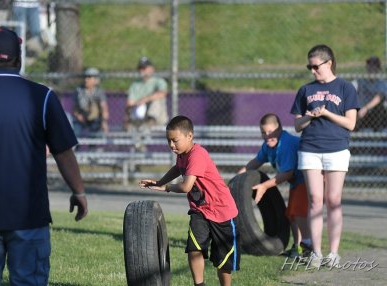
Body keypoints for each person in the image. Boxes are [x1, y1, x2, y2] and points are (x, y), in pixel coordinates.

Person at [0, 26, 88, 285]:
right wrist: (79, 192)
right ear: (19, 58)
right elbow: (63, 153)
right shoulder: (42, 96)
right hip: (28, 215)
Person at [139, 115, 240, 286]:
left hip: (222, 212)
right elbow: (178, 168)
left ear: (190, 136)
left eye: (175, 140)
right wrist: (160, 182)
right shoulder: (182, 155)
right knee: (194, 248)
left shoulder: (197, 155)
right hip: (200, 211)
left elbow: (186, 187)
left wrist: (167, 188)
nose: (171, 145)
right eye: (168, 141)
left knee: (222, 261)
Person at [290, 44, 359, 268]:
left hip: (337, 148)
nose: (312, 71)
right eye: (309, 67)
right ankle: (317, 253)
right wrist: (310, 116)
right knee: (315, 201)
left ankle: (334, 252)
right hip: (310, 149)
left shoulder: (345, 87)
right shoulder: (305, 90)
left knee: (333, 200)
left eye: (315, 66)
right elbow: (298, 125)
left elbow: (351, 123)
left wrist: (327, 112)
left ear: (328, 63)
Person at [238, 113, 311, 258]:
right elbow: (256, 162)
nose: (267, 136)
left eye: (271, 132)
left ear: (280, 129)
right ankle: (297, 246)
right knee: (291, 215)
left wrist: (264, 186)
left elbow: (288, 173)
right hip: (296, 181)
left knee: (298, 213)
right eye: (263, 133)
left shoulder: (286, 144)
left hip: (306, 178)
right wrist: (239, 177)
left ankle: (308, 245)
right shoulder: (268, 145)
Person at [125, 56, 169, 131]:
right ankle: (139, 133)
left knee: (157, 100)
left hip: (158, 118)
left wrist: (145, 99)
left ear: (151, 69)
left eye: (144, 68)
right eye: (140, 68)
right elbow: (130, 102)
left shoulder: (158, 81)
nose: (142, 71)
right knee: (134, 109)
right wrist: (140, 103)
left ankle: (150, 122)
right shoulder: (135, 84)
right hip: (141, 118)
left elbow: (162, 93)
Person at [72, 67, 109, 136]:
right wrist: (78, 115)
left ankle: (92, 146)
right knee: (75, 131)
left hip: (94, 119)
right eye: (85, 77)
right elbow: (75, 108)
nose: (86, 80)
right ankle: (75, 146)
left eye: (89, 77)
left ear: (96, 80)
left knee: (94, 131)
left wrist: (104, 122)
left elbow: (104, 108)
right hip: (81, 118)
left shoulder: (99, 92)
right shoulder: (79, 90)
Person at [353, 56, 387, 131]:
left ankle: (376, 134)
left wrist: (366, 108)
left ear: (378, 69)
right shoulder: (360, 81)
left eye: (374, 67)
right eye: (370, 66)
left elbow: (379, 97)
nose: (371, 69)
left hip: (373, 114)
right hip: (360, 113)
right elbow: (350, 91)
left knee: (380, 108)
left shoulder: (381, 82)